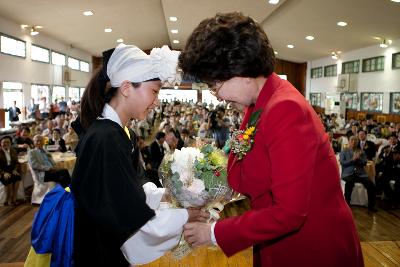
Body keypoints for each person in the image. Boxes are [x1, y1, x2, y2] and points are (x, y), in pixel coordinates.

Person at [179, 12, 363, 267]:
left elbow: (289, 212)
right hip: (277, 242)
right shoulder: (257, 104)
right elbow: (249, 171)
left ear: (240, 69)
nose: (217, 96)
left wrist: (213, 234)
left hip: (311, 248)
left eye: (215, 84)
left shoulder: (285, 108)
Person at [71, 44, 208, 266]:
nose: (156, 102)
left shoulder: (119, 132)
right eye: (154, 91)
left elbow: (128, 190)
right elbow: (128, 219)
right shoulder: (105, 138)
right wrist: (185, 216)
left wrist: (167, 195)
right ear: (126, 88)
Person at [340, 136, 377, 211]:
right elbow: (343, 163)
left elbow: (364, 163)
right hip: (348, 174)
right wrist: (352, 160)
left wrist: (359, 158)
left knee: (371, 184)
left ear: (357, 142)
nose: (353, 142)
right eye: (352, 140)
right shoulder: (344, 151)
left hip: (360, 174)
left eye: (355, 141)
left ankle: (371, 205)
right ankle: (347, 204)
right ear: (349, 141)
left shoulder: (361, 151)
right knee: (349, 183)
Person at [0, 136, 21, 206]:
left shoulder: (13, 151)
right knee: (8, 179)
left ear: (10, 143)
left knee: (17, 178)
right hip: (2, 171)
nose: (5, 144)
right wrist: (3, 173)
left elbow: (16, 162)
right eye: (3, 142)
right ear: (1, 143)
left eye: (8, 142)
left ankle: (14, 198)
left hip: (11, 170)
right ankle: (7, 199)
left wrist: (15, 170)